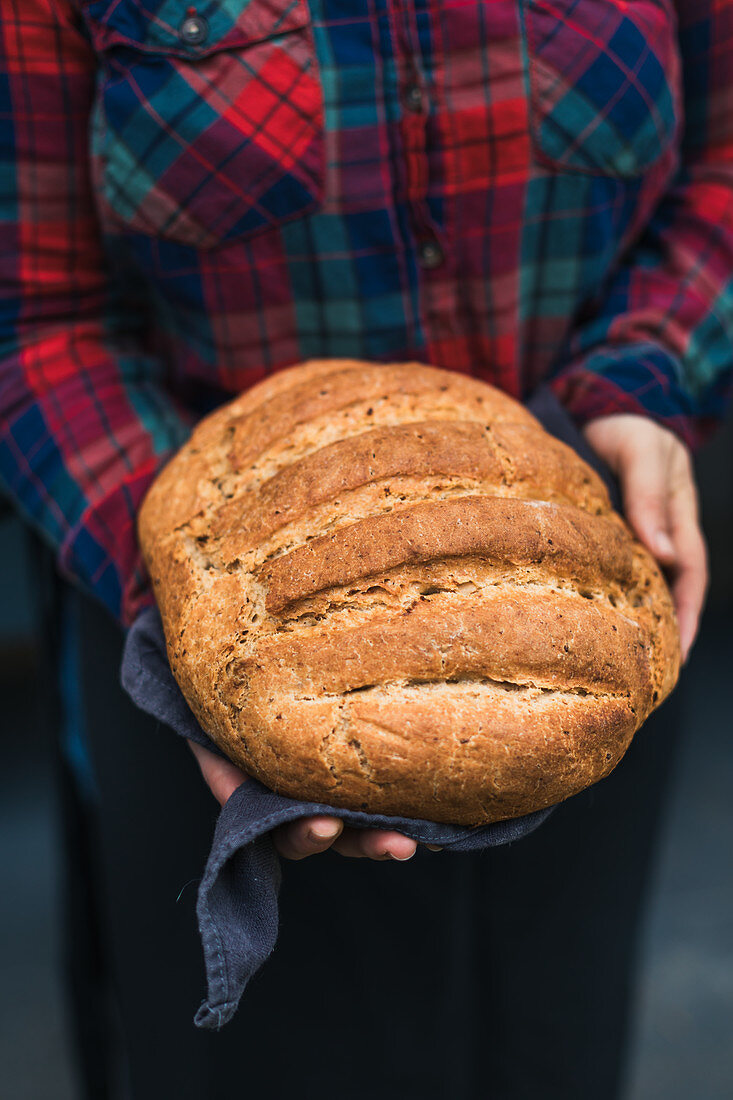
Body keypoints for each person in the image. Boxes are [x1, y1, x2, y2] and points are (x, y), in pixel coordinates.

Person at [0, 1, 726, 1097]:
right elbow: (31, 318)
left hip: (572, 596)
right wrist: (174, 592)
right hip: (202, 624)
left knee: (547, 1049)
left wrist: (644, 371)